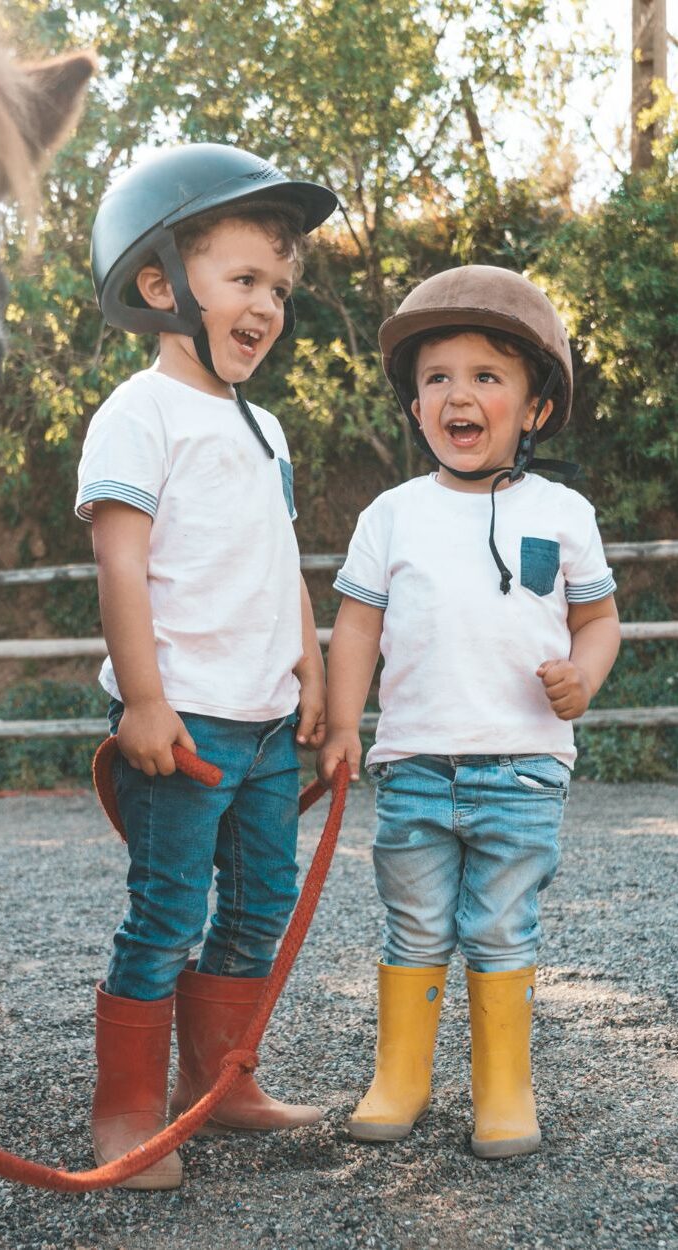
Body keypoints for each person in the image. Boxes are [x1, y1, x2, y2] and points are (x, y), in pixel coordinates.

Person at [78, 144, 338, 1188]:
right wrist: (143, 698)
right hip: (180, 722)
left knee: (257, 903)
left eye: (277, 287)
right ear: (159, 286)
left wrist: (313, 669)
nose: (267, 305)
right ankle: (127, 1108)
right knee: (168, 910)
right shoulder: (138, 415)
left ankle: (221, 1079)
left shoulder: (264, 425)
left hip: (270, 721)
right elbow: (120, 562)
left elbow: (279, 559)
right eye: (244, 279)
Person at [318, 265, 621, 1159]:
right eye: (437, 378)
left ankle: (503, 1091)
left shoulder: (562, 512)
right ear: (415, 408)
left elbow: (598, 618)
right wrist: (342, 727)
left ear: (534, 409)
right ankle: (400, 1079)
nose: (459, 395)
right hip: (412, 762)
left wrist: (585, 673)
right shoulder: (391, 515)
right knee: (411, 924)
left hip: (525, 767)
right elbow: (355, 627)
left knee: (498, 927)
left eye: (487, 377)